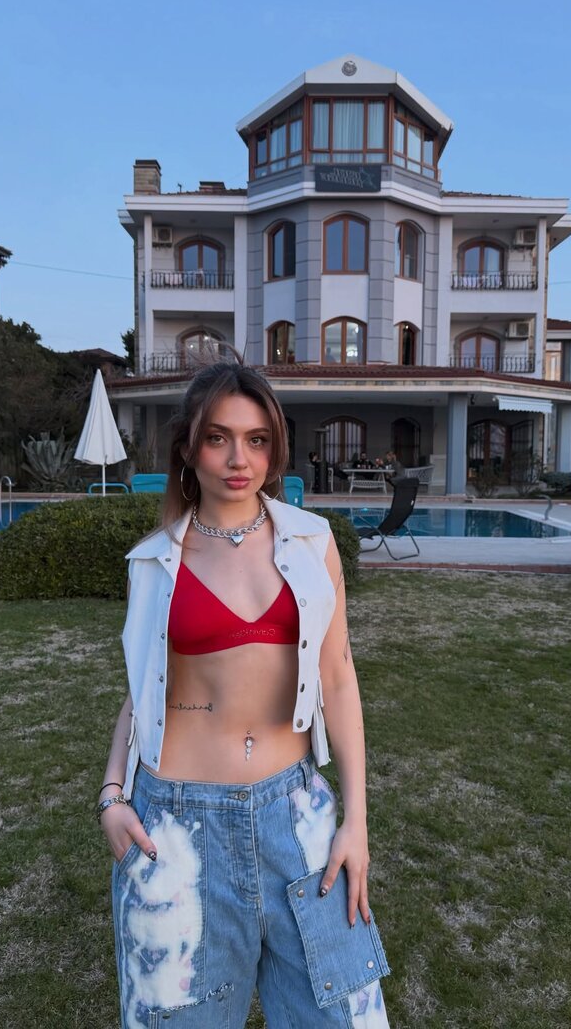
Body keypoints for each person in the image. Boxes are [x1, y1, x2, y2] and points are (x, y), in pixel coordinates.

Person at [97, 359, 390, 1028]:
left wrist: (356, 822)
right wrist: (112, 796)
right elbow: (142, 690)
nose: (239, 459)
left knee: (342, 1018)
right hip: (175, 828)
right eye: (218, 438)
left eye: (257, 440)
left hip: (298, 822)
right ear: (187, 448)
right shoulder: (155, 561)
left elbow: (339, 677)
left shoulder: (312, 543)